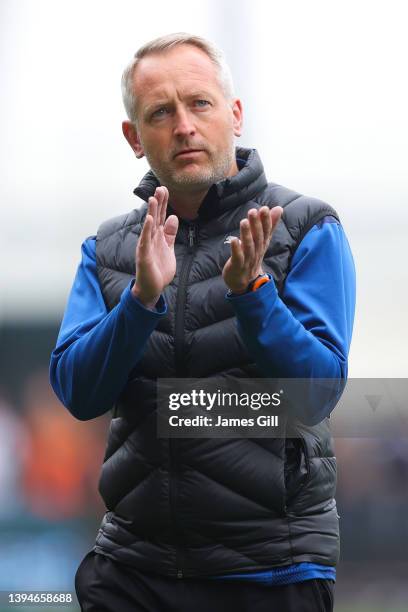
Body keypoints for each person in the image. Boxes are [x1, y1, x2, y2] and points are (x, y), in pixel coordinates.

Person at [50, 33, 356, 612]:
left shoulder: (307, 228)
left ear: (235, 115)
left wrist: (253, 295)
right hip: (131, 571)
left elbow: (316, 393)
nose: (183, 125)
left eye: (200, 103)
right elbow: (78, 393)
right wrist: (140, 300)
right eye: (160, 112)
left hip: (272, 569)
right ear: (134, 138)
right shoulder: (108, 247)